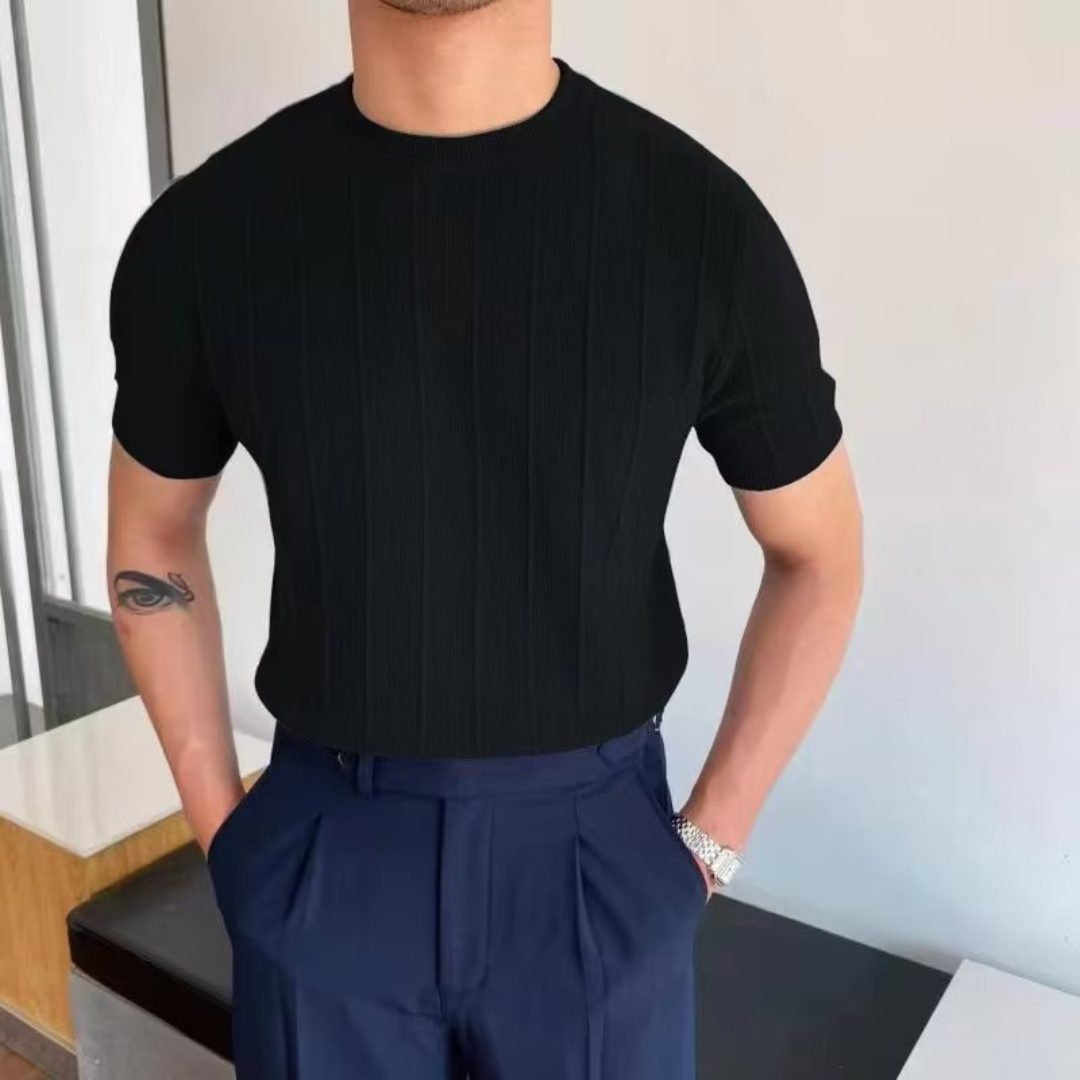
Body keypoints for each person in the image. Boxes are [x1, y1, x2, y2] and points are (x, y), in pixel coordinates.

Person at [106, 1, 863, 1076]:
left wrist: (709, 841)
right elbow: (153, 534)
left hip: (598, 863)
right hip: (325, 852)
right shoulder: (207, 235)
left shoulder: (701, 225)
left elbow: (820, 556)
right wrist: (225, 830)